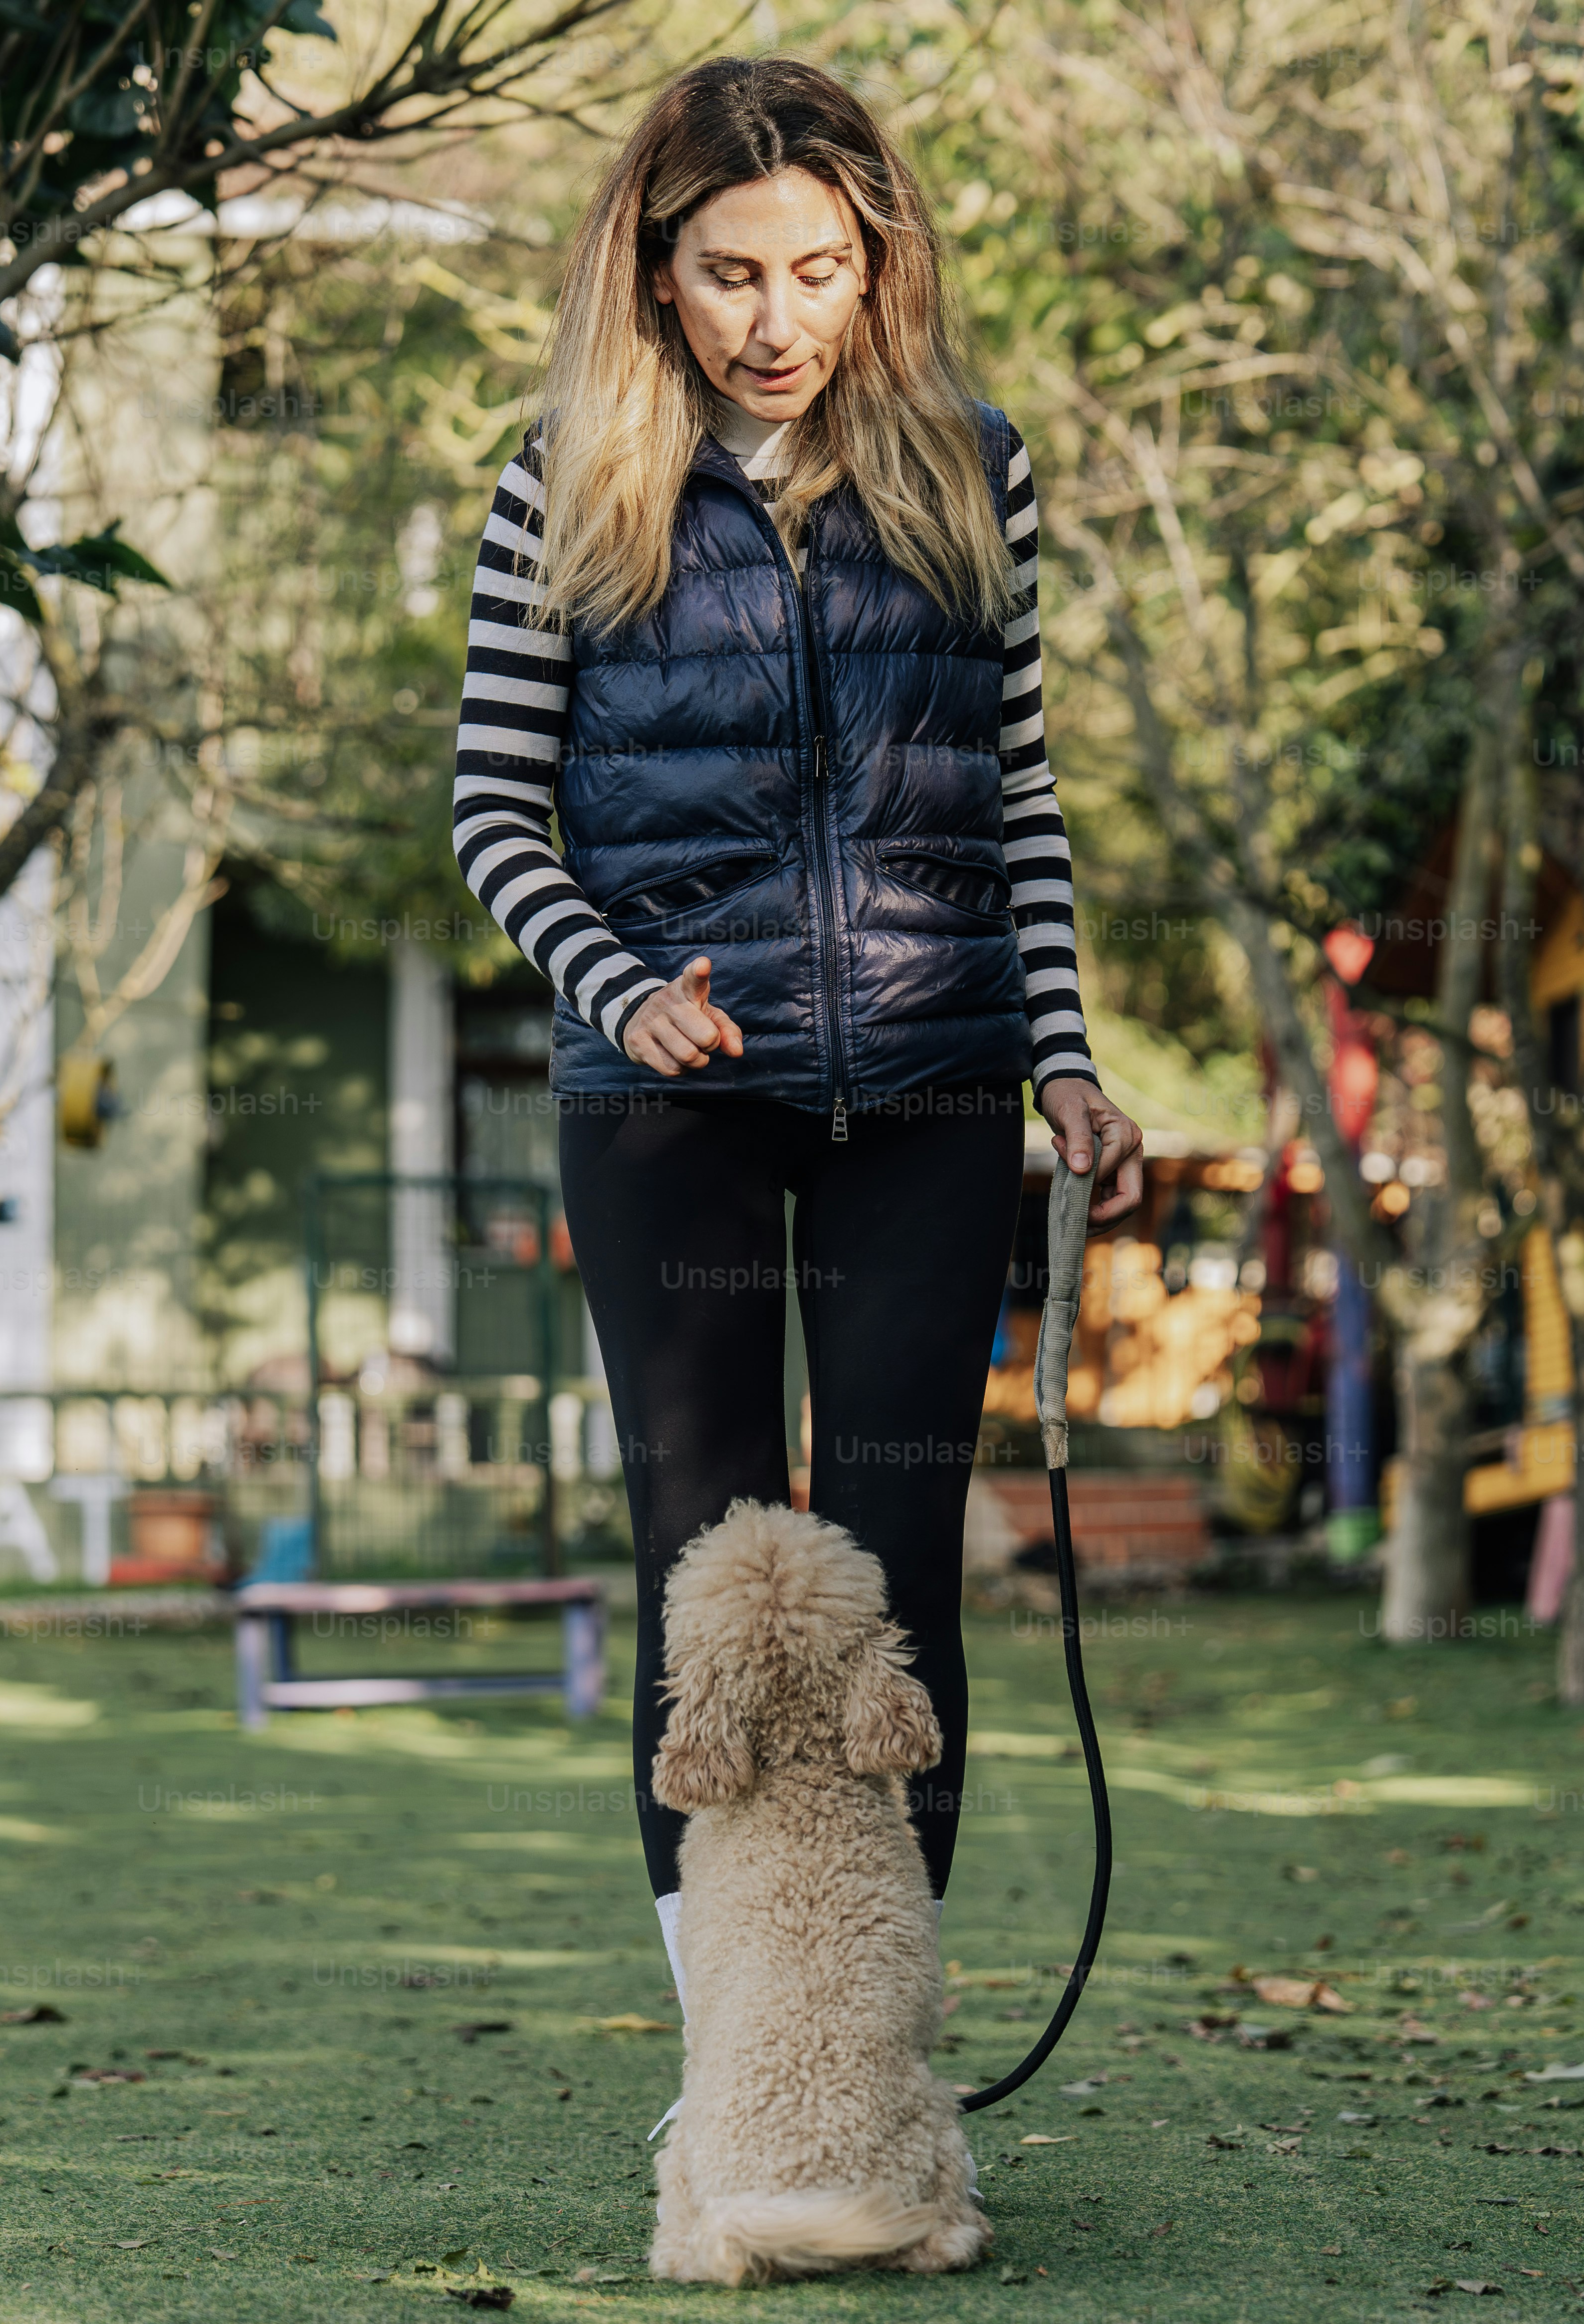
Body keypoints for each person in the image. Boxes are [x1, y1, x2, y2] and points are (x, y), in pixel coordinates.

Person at [451, 56, 1143, 2009]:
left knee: (900, 1567)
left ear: (877, 269)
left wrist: (1065, 1059)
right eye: (732, 273)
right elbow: (493, 805)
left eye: (820, 271)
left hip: (929, 1084)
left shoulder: (967, 461)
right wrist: (620, 982)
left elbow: (1019, 793)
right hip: (669, 1097)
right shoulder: (562, 475)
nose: (778, 319)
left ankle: (868, 2038)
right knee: (715, 1576)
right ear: (655, 273)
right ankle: (748, 2057)